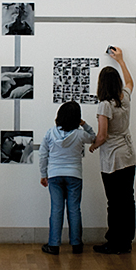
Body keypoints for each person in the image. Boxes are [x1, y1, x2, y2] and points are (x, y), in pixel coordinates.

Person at [89, 46, 136, 254]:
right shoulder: (124, 98)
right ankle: (126, 241)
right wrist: (121, 61)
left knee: (114, 203)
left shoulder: (104, 105)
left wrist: (93, 146)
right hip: (128, 155)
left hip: (113, 159)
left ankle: (114, 241)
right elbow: (130, 83)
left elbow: (102, 135)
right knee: (127, 200)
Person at [39, 101, 96, 255]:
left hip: (55, 175)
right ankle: (76, 244)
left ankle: (53, 245)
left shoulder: (50, 133)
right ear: (76, 118)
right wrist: (84, 124)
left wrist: (43, 174)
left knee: (56, 209)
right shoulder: (80, 134)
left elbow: (43, 155)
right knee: (74, 209)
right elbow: (94, 137)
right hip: (74, 175)